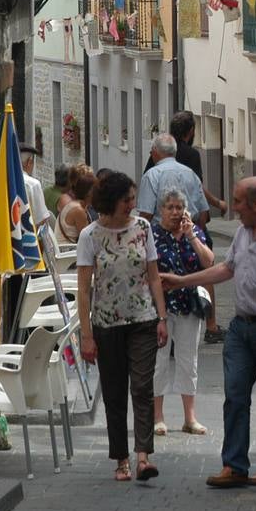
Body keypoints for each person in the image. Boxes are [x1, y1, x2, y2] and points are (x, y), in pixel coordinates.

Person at [159, 177, 256, 489]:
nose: (234, 209)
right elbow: (227, 269)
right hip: (242, 329)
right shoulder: (244, 231)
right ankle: (234, 465)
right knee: (236, 397)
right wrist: (182, 280)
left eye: (239, 202)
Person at [75, 171, 169, 482]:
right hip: (106, 324)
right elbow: (84, 289)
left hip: (142, 319)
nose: (133, 203)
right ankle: (121, 459)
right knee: (115, 394)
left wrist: (162, 317)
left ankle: (144, 457)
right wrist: (86, 336)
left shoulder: (143, 228)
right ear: (112, 201)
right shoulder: (90, 236)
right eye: (127, 199)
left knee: (142, 387)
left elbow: (153, 275)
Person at [146, 111, 229, 344]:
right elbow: (199, 191)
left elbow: (144, 206)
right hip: (187, 224)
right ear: (190, 132)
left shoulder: (155, 161)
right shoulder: (191, 156)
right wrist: (201, 226)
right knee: (205, 273)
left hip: (160, 228)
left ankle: (164, 316)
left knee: (161, 273)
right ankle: (210, 324)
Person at [151, 188, 214, 436]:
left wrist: (191, 237)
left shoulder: (194, 232)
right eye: (170, 208)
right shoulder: (153, 236)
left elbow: (208, 262)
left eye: (179, 208)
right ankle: (158, 416)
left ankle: (190, 417)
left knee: (189, 361)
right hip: (161, 307)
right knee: (159, 362)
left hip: (189, 306)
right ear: (161, 211)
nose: (175, 212)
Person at [136, 133, 208, 224]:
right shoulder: (190, 173)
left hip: (162, 233)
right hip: (189, 230)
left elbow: (146, 214)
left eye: (151, 152)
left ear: (155, 151)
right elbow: (203, 212)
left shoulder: (152, 175)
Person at [55, 165, 95, 245]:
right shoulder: (78, 210)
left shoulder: (75, 204)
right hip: (68, 253)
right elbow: (88, 240)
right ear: (88, 193)